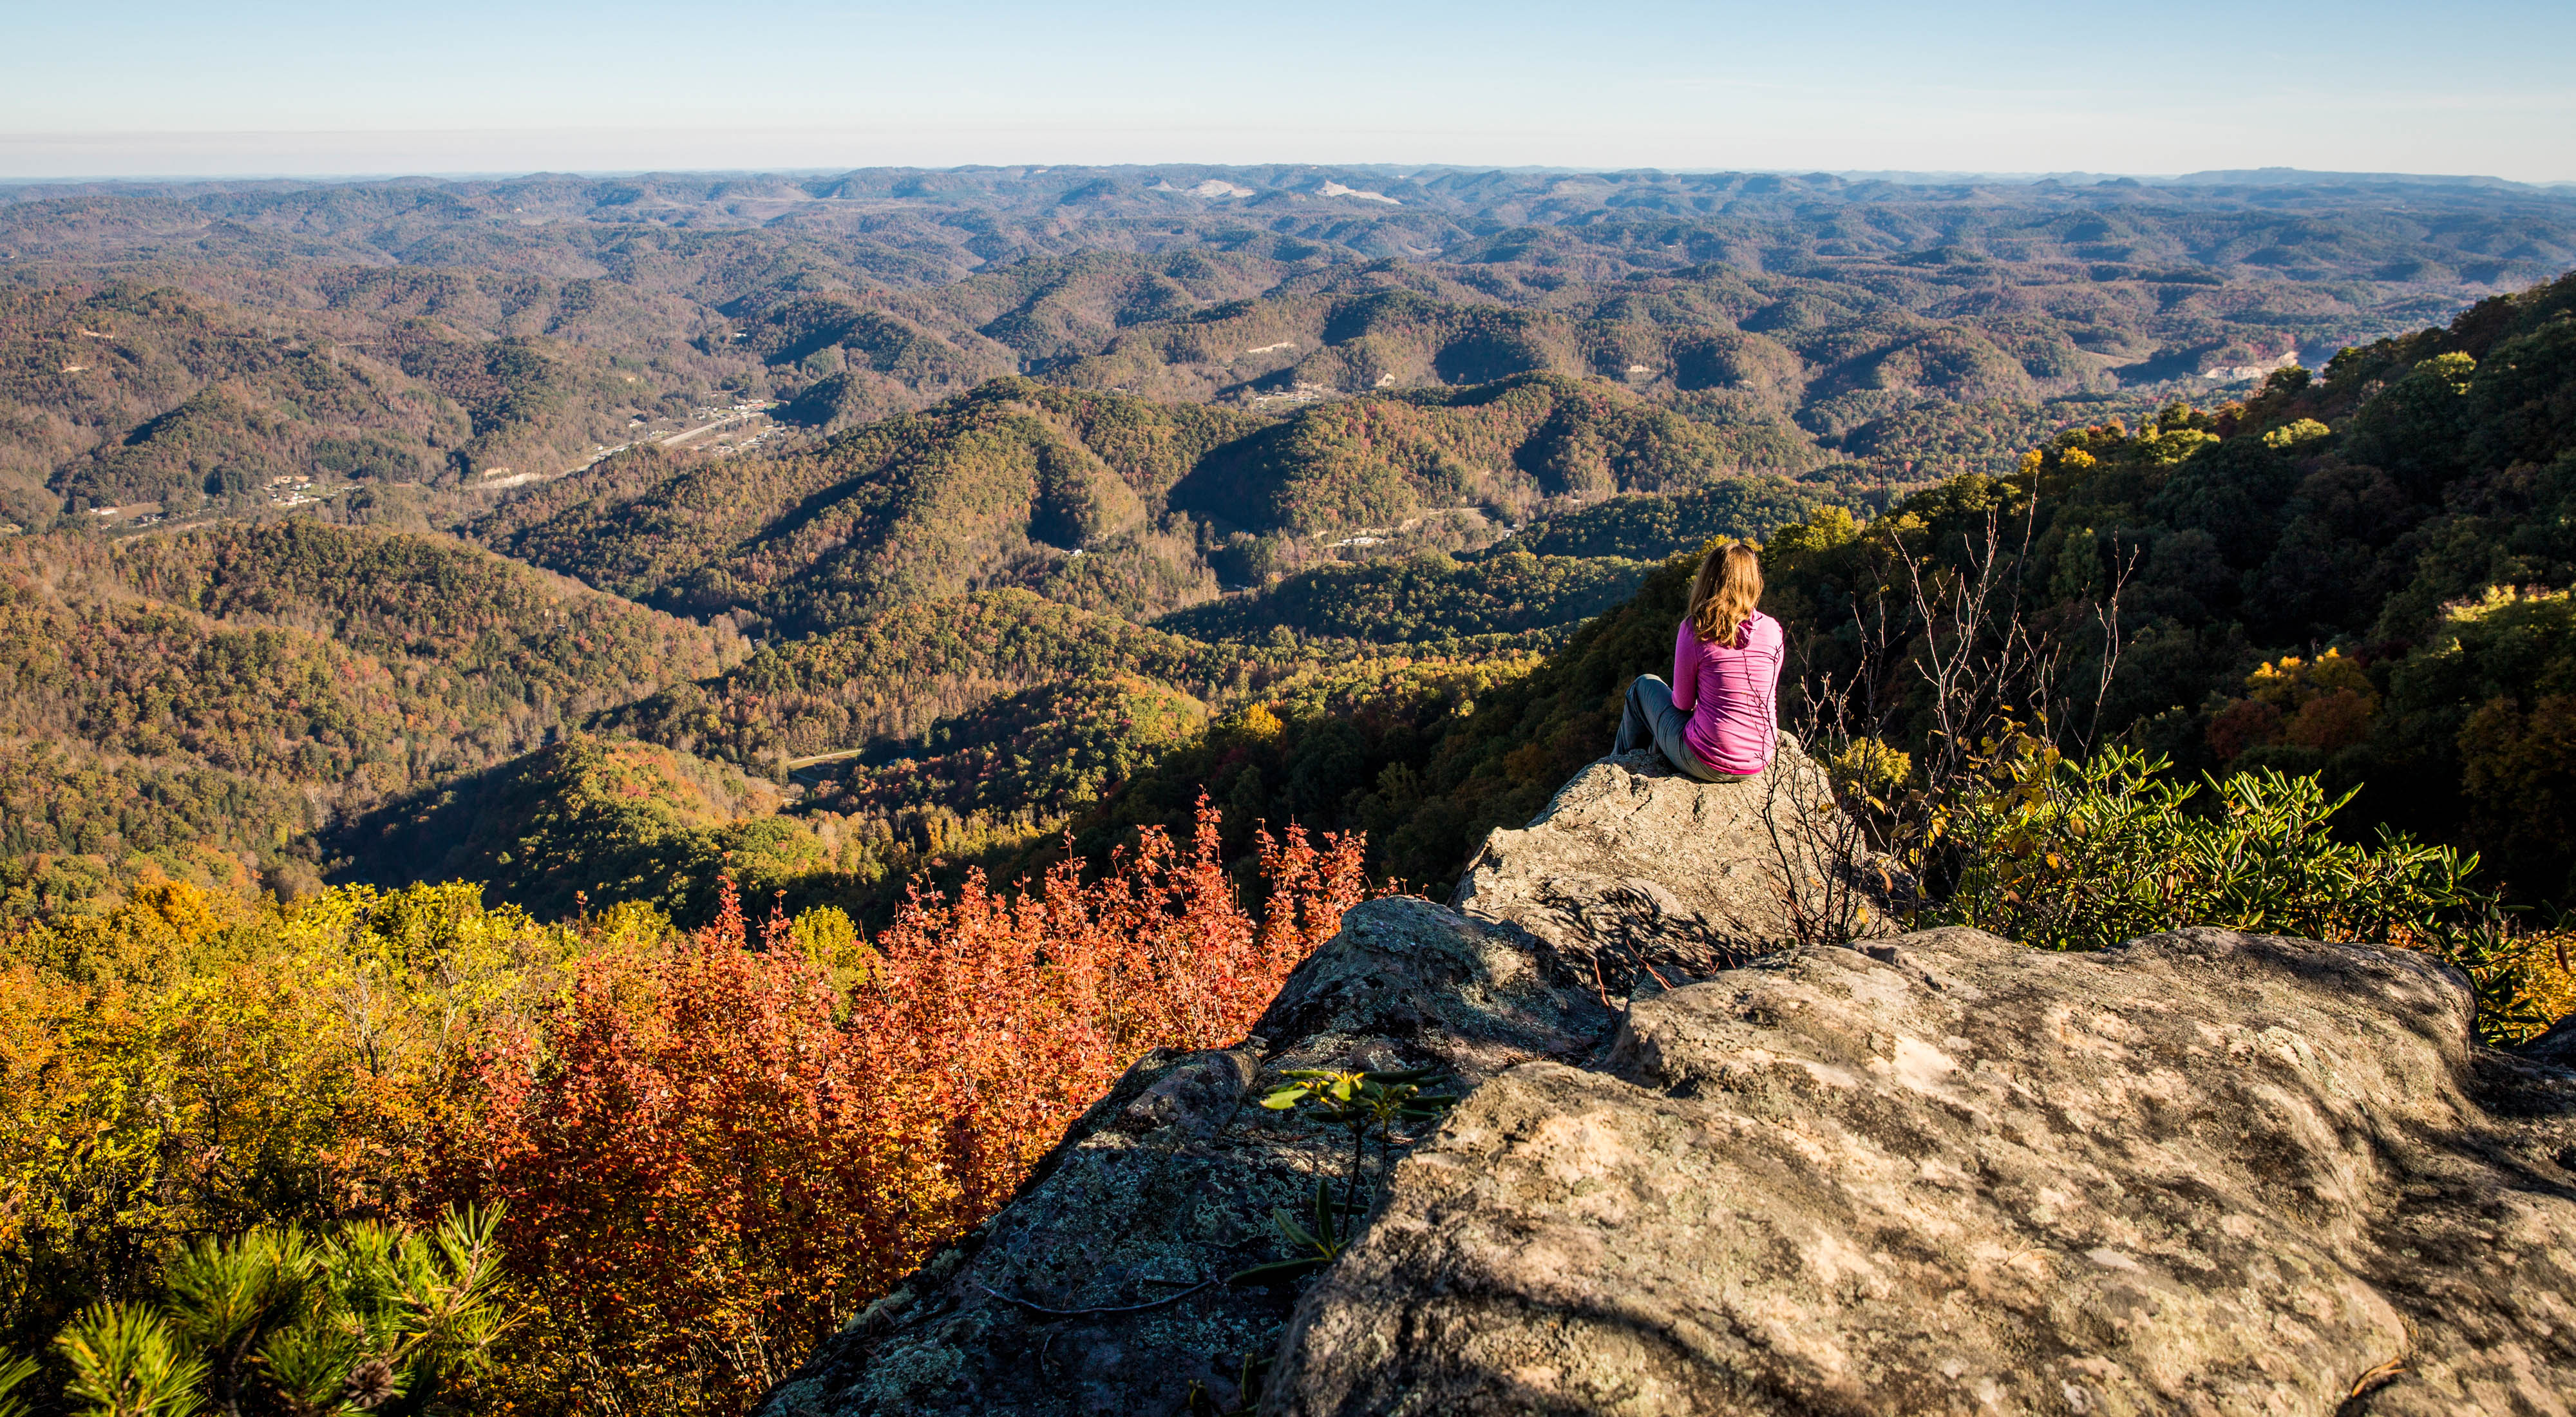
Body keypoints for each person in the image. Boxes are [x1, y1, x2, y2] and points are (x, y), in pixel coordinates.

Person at [1614, 540, 1783, 781]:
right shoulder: (1772, 629)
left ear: (1709, 580)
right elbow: (1765, 693)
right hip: (1758, 759)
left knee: (1643, 686)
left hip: (1707, 760)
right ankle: (1649, 758)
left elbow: (1682, 704)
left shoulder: (1697, 629)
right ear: (1753, 583)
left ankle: (1621, 766)